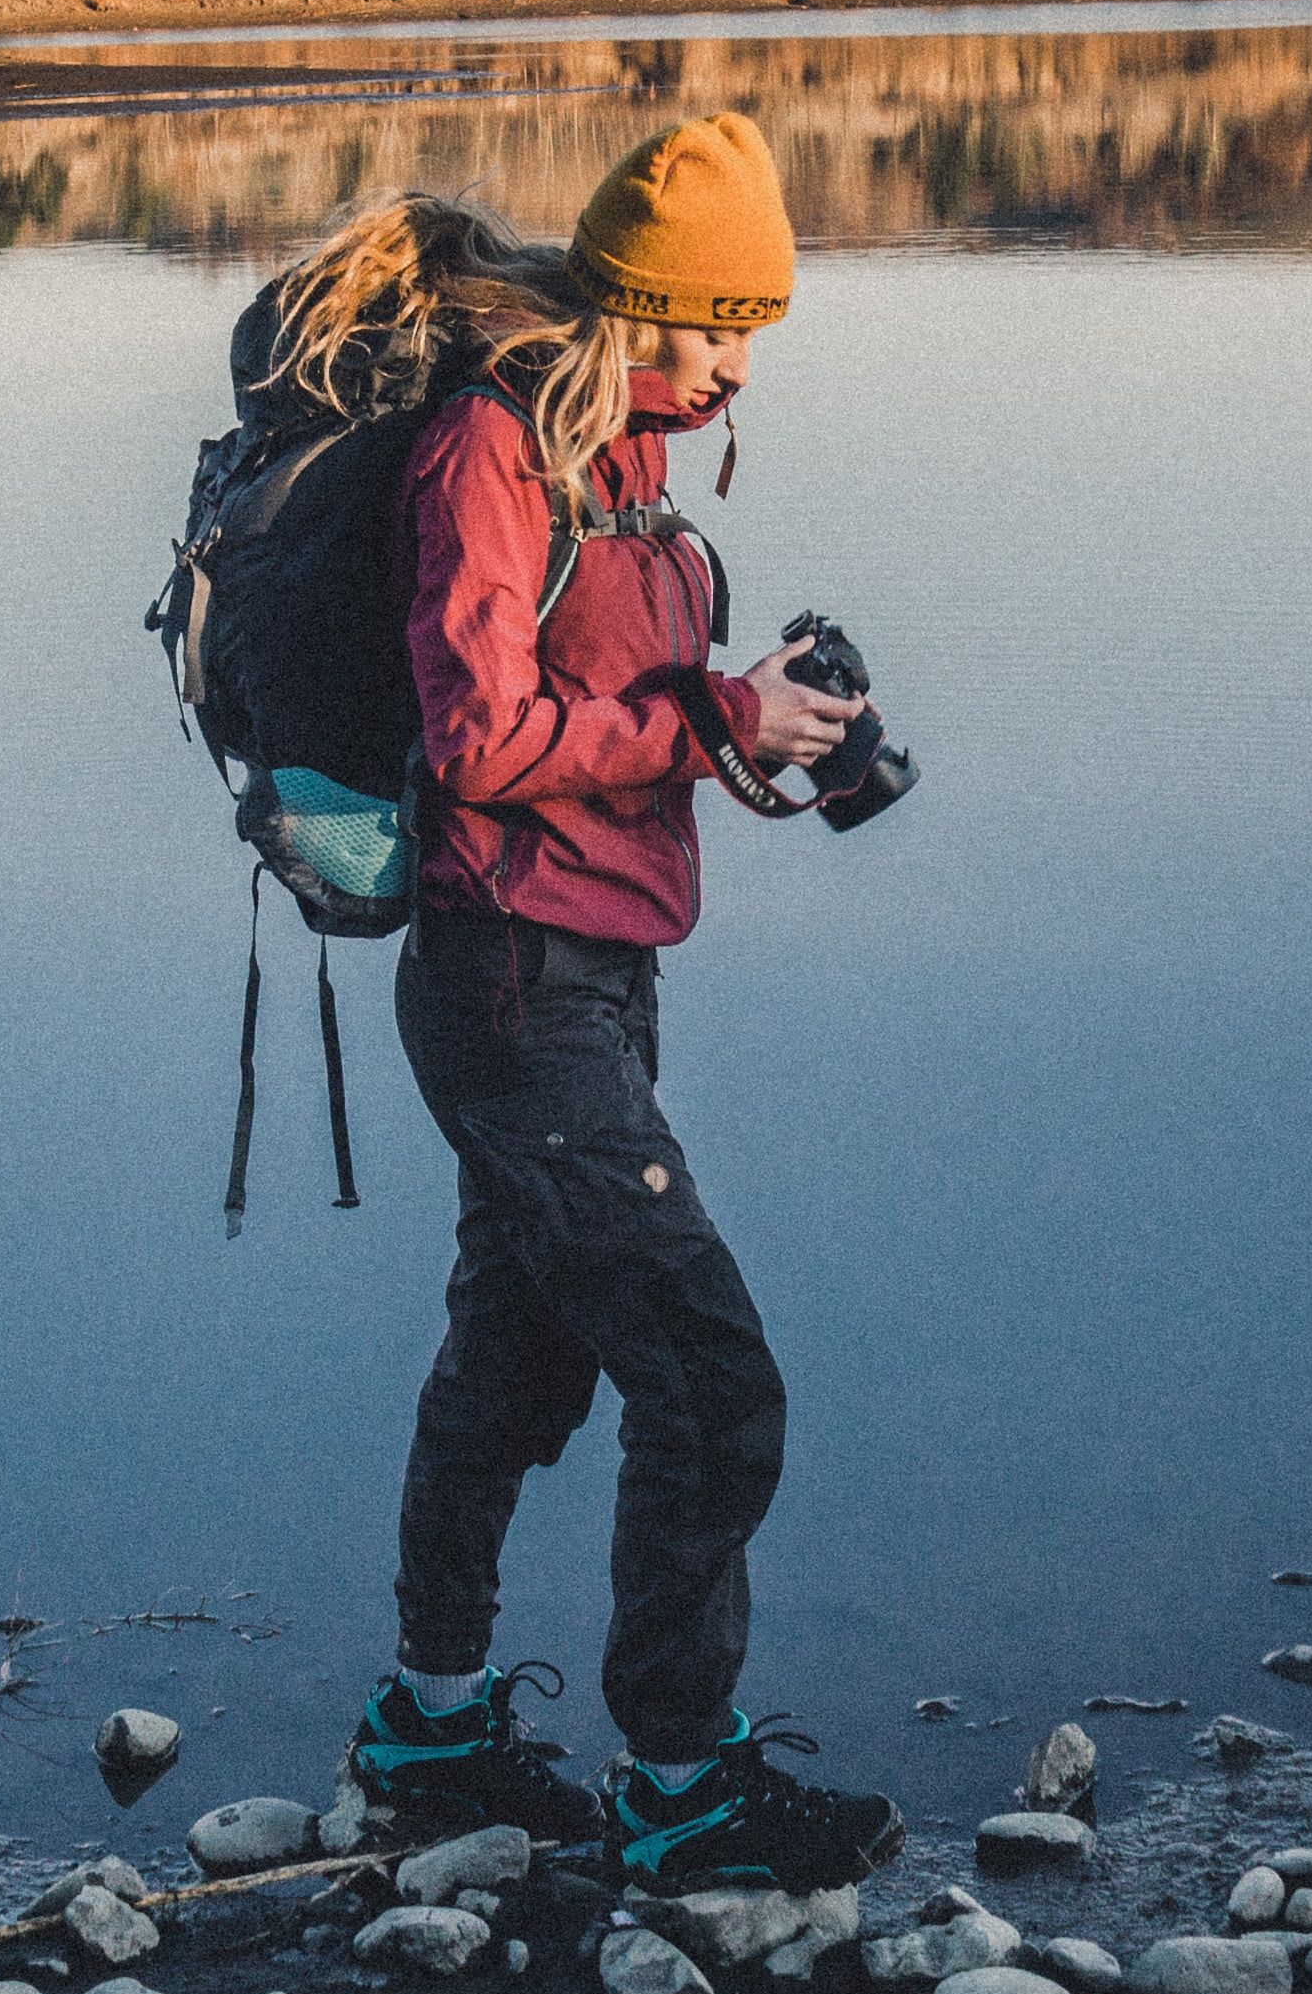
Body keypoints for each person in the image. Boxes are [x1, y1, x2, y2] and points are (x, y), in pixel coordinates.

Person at [234, 114, 904, 1892]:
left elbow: (601, 712)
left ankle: (431, 1734)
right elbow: (480, 742)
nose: (740, 363)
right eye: (716, 325)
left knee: (517, 1369)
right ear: (637, 304)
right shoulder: (488, 453)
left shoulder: (621, 458)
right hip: (509, 983)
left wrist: (759, 728)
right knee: (708, 1376)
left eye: (755, 326)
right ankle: (684, 1785)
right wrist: (711, 720)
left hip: (595, 974)